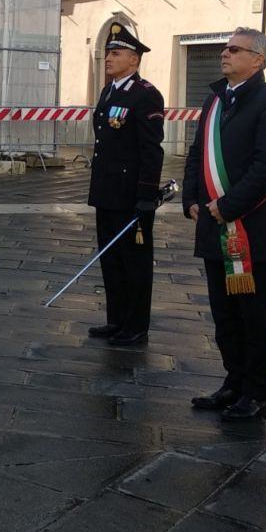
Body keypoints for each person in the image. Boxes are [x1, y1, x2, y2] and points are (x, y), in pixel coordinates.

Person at [182, 27, 266, 421]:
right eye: (224, 48)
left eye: (234, 49)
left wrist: (228, 206)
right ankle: (232, 382)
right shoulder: (215, 100)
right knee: (223, 313)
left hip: (249, 229)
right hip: (214, 224)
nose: (224, 54)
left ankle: (255, 392)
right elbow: (197, 152)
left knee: (252, 313)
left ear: (258, 59)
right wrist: (192, 199)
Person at [86, 23, 165, 347]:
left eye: (115, 53)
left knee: (134, 263)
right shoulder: (109, 91)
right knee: (111, 259)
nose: (108, 57)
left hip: (132, 194)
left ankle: (135, 325)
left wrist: (146, 194)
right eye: (107, 52)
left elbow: (151, 149)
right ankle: (116, 319)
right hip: (107, 191)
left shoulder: (145, 95)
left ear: (133, 59)